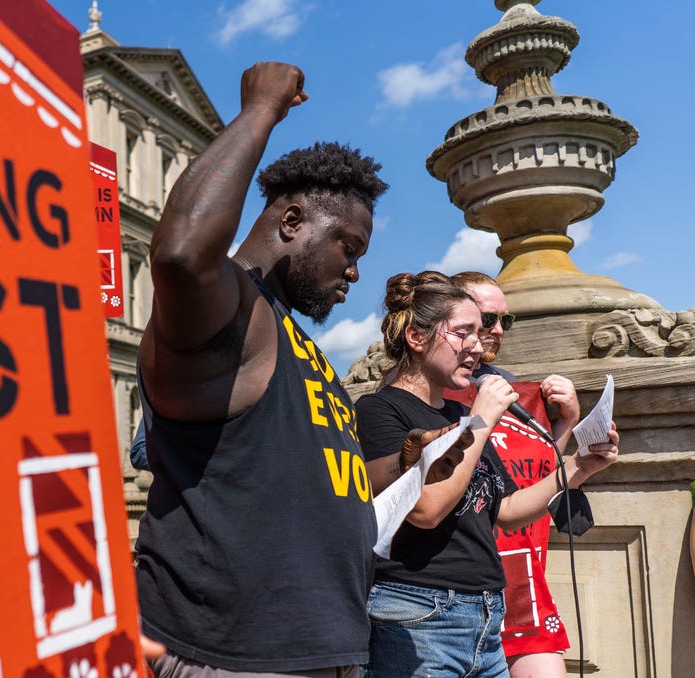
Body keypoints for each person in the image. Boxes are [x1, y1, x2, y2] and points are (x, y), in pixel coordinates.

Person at [135, 61, 388, 677]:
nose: (354, 272)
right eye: (347, 248)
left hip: (321, 648)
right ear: (292, 222)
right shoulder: (233, 313)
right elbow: (178, 254)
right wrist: (260, 111)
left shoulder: (290, 335)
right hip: (235, 654)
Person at [357, 272, 618, 678]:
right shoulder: (380, 411)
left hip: (485, 618)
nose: (478, 347)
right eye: (464, 333)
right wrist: (480, 419)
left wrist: (582, 466)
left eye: (480, 334)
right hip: (419, 616)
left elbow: (507, 509)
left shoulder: (460, 413)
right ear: (416, 338)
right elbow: (425, 511)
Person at [449, 271, 582, 677]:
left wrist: (569, 422)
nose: (497, 331)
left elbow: (532, 470)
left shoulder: (510, 388)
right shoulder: (431, 392)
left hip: (524, 579)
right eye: (487, 320)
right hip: (460, 582)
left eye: (505, 321)